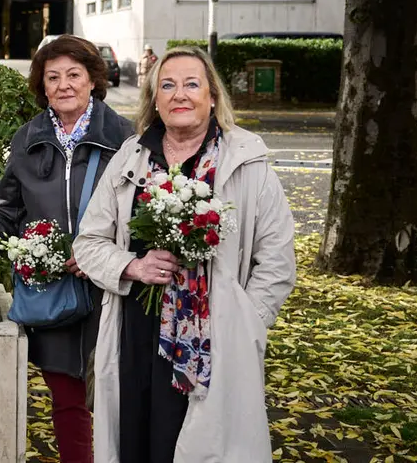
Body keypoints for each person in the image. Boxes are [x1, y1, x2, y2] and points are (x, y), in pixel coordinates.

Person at [73, 46, 296, 463]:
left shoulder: (246, 161)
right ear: (154, 100)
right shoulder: (131, 157)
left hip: (214, 339)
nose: (180, 94)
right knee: (137, 443)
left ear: (212, 96)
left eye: (192, 84)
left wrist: (246, 322)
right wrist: (132, 266)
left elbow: (278, 259)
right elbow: (88, 243)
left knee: (203, 447)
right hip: (136, 333)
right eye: (168, 85)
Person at [0, 35, 134, 463]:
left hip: (112, 289)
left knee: (117, 398)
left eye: (74, 74)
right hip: (50, 292)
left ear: (93, 79)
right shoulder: (29, 137)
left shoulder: (123, 137)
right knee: (67, 399)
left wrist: (102, 254)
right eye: (52, 77)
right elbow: (3, 213)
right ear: (42, 87)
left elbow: (140, 213)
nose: (64, 85)